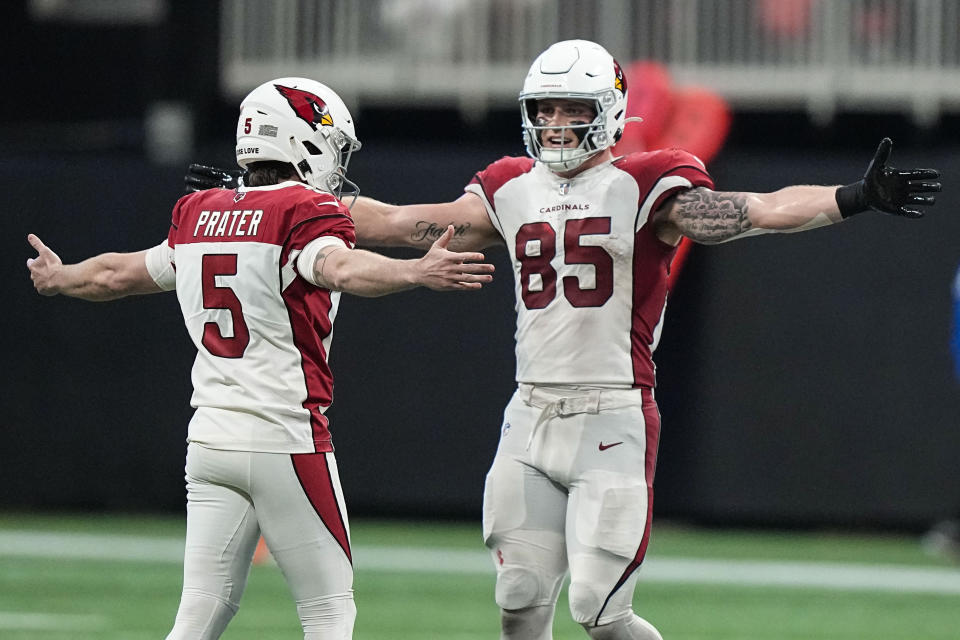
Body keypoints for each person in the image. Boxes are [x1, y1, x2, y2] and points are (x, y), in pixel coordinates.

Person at [186, 41, 941, 640]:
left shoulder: (647, 183)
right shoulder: (513, 184)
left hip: (612, 414)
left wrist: (852, 199)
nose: (553, 125)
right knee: (517, 600)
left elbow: (756, 210)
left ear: (607, 113)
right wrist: (265, 197)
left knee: (599, 610)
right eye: (543, 109)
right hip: (531, 416)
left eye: (568, 110)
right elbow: (400, 220)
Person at [27, 77, 494, 640]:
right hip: (285, 439)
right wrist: (414, 272)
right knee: (329, 612)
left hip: (209, 444)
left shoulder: (198, 211)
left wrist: (59, 278)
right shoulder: (306, 209)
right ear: (305, 140)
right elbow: (338, 268)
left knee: (200, 614)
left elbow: (114, 274)